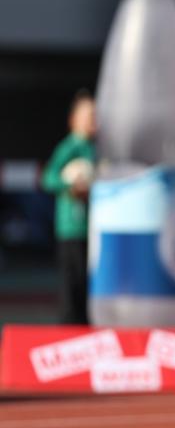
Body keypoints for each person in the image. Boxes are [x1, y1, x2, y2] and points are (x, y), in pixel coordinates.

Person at [42, 90, 96, 325]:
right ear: (74, 120)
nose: (92, 122)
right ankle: (68, 330)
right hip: (71, 229)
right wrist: (70, 185)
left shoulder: (95, 149)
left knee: (88, 286)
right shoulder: (69, 148)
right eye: (88, 117)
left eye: (94, 117)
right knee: (71, 285)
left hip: (92, 231)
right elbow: (48, 178)